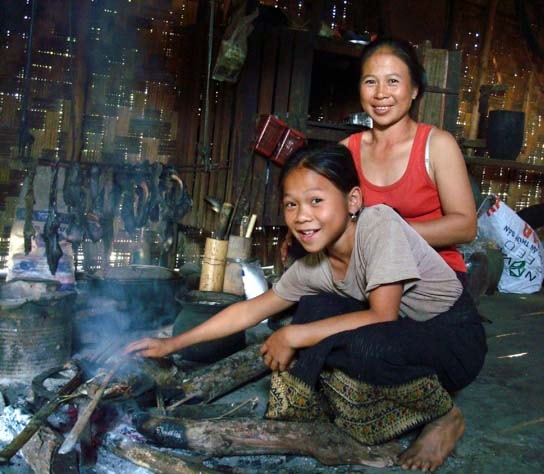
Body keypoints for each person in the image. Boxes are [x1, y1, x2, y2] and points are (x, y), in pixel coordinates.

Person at [125, 144, 486, 472]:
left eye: (316, 201)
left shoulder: (381, 227)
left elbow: (382, 316)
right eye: (291, 204)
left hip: (453, 341)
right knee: (313, 310)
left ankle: (445, 416)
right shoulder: (316, 265)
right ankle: (341, 407)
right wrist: (170, 345)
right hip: (407, 337)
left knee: (357, 343)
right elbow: (251, 310)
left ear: (353, 200)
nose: (301, 216)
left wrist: (293, 335)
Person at [284, 37, 477, 282]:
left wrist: (387, 233)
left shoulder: (437, 146)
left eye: (393, 81)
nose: (381, 93)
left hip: (433, 274)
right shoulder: (347, 151)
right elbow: (322, 208)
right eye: (370, 82)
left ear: (415, 89)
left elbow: (466, 227)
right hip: (367, 273)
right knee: (309, 312)